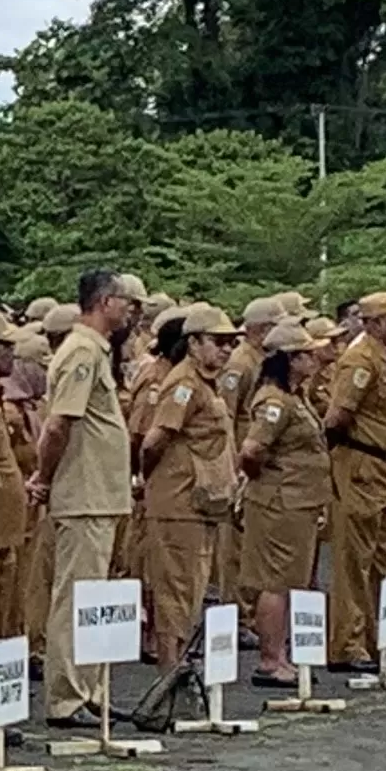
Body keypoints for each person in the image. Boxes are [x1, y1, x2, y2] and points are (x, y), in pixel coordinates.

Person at [31, 271, 138, 721]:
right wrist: (44, 475)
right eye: (126, 301)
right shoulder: (80, 350)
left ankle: (88, 689)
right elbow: (59, 423)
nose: (132, 309)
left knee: (92, 597)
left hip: (100, 492)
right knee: (75, 595)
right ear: (104, 302)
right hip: (84, 491)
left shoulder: (95, 351)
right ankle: (67, 695)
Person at [129, 306, 237, 715]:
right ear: (194, 343)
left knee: (191, 591)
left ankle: (176, 679)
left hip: (199, 503)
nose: (226, 350)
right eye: (218, 341)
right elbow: (154, 440)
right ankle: (167, 684)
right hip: (178, 503)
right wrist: (150, 479)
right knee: (175, 592)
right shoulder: (184, 384)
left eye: (231, 343)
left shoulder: (206, 384)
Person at [321, 290, 386, 680]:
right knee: (354, 558)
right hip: (363, 465)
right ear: (374, 323)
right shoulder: (360, 359)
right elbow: (338, 416)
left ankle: (377, 636)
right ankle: (348, 642)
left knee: (381, 557)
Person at [236, 324, 329, 687]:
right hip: (280, 500)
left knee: (291, 580)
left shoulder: (295, 396)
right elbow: (252, 449)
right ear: (290, 360)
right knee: (275, 581)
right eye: (306, 354)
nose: (313, 359)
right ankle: (271, 660)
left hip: (298, 500)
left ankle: (281, 655)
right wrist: (264, 476)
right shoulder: (274, 401)